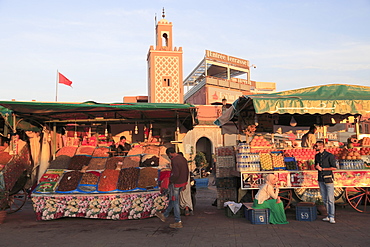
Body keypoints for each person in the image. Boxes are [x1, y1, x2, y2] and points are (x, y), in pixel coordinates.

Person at [155, 147, 189, 228]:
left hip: (176, 184)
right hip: (182, 182)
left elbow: (175, 174)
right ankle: (164, 215)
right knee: (173, 199)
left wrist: (170, 180)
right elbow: (187, 171)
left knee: (175, 202)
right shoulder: (183, 158)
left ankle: (178, 221)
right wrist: (185, 183)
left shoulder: (174, 160)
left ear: (170, 154)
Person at [314, 140, 337, 224]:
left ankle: (332, 216)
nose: (315, 147)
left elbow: (334, 167)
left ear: (322, 146)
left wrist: (323, 169)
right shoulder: (316, 156)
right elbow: (316, 165)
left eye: (317, 146)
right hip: (320, 178)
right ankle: (328, 215)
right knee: (324, 199)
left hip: (328, 178)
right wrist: (316, 167)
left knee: (330, 198)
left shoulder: (329, 155)